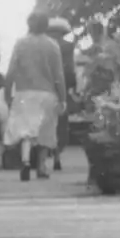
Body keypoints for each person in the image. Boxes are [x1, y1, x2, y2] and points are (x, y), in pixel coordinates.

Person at [3, 10, 68, 182]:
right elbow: (58, 75)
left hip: (24, 93)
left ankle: (25, 162)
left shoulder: (20, 44)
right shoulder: (52, 45)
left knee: (26, 130)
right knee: (45, 132)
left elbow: (10, 72)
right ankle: (41, 167)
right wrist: (62, 98)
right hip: (47, 94)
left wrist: (7, 93)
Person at [47, 16, 77, 170]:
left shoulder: (44, 45)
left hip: (44, 88)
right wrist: (73, 86)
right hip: (61, 89)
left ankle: (44, 157)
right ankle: (57, 155)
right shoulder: (68, 46)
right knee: (61, 124)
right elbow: (70, 69)